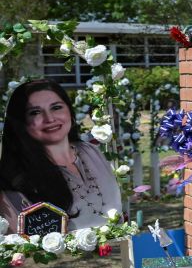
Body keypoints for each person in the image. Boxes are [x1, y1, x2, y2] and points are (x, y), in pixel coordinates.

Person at [0, 78, 122, 233]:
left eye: (56, 107)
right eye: (35, 112)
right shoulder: (16, 178)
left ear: (70, 112)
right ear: (21, 122)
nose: (50, 119)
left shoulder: (91, 151)